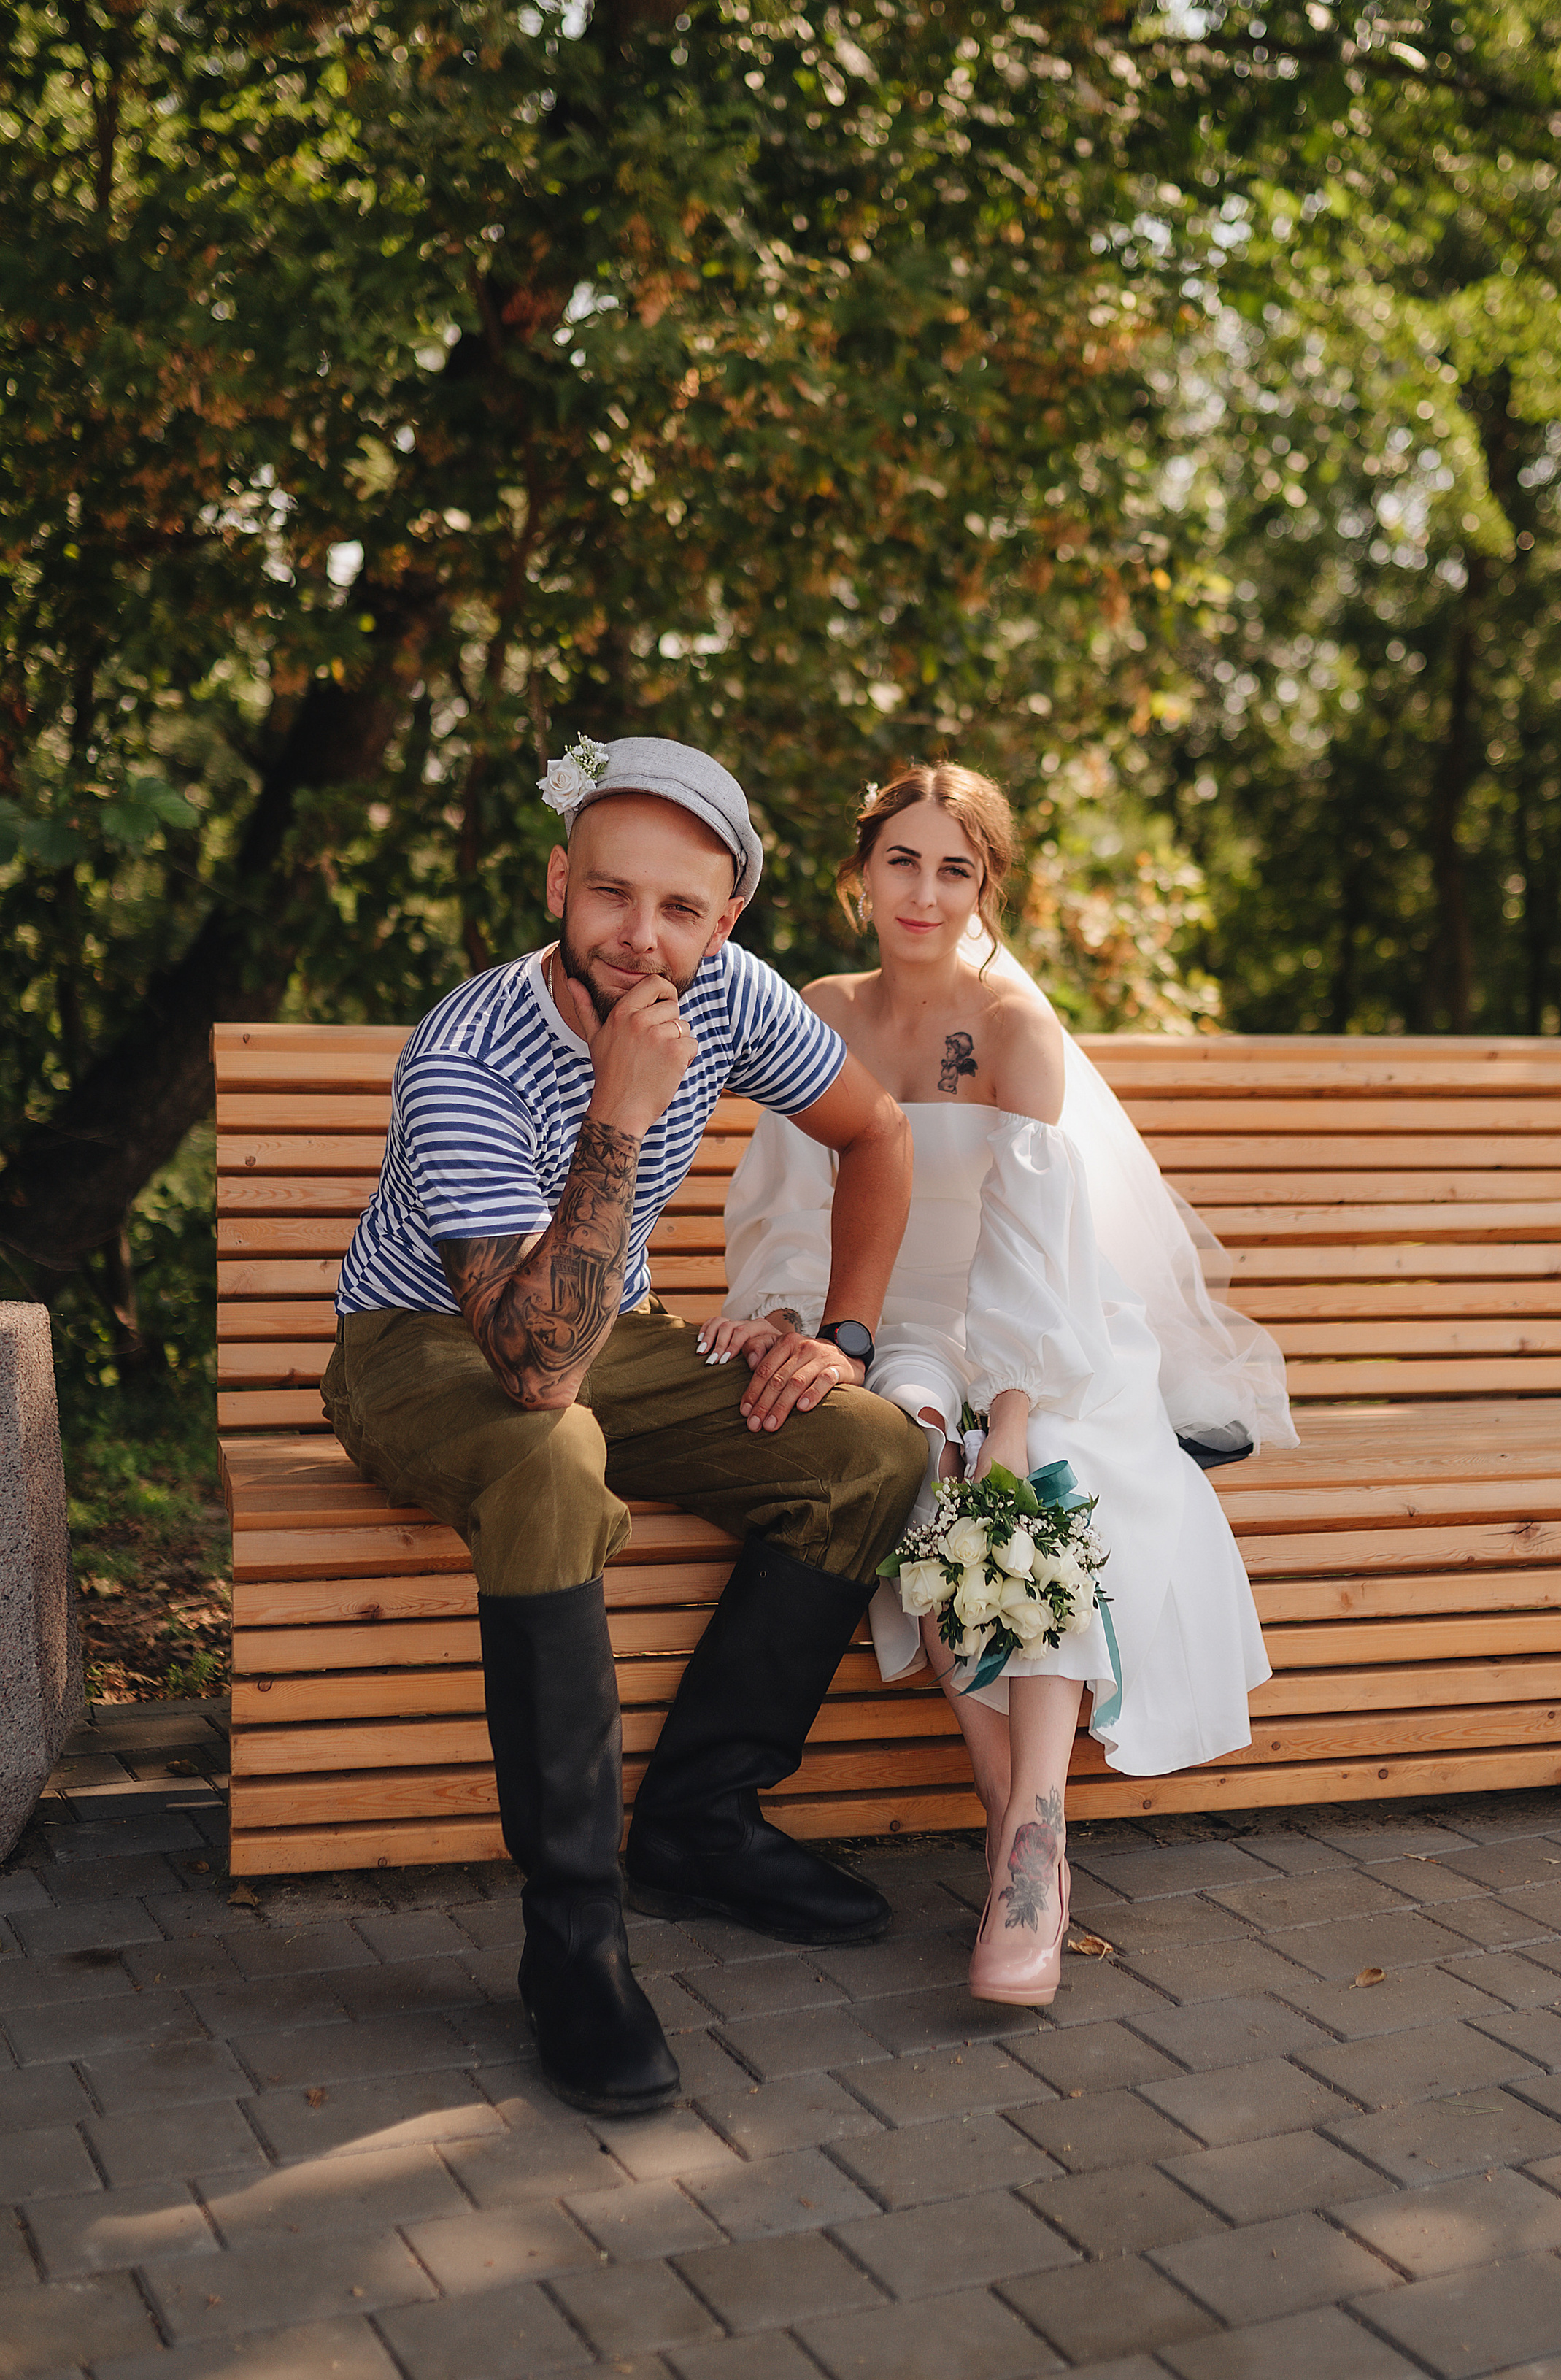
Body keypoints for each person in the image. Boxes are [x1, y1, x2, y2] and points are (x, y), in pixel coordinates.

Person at [321, 737, 925, 2119]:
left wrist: (834, 1341)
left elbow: (877, 1132)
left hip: (605, 1339)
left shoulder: (734, 997)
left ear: (727, 924)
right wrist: (624, 1105)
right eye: (609, 896)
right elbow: (531, 1369)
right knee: (551, 1450)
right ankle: (574, 1940)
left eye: (678, 909)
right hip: (418, 1350)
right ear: (557, 883)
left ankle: (702, 1824)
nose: (639, 939)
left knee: (876, 1449)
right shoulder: (463, 1050)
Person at [701, 764, 1296, 2009]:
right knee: (911, 1461)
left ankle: (1028, 1835)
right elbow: (790, 1211)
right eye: (901, 861)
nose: (924, 892)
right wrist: (798, 1324)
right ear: (860, 872)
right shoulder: (822, 1009)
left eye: (954, 867)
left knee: (1040, 1483)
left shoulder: (1016, 1027)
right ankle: (1025, 1833)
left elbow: (1034, 1255)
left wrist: (1012, 1417)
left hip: (1043, 1328)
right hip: (891, 1321)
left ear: (987, 885)